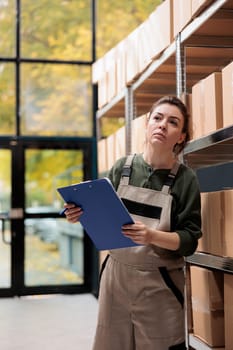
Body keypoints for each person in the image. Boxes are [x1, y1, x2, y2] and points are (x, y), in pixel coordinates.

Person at [64, 95, 202, 350]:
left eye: (173, 122)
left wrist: (152, 236)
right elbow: (102, 215)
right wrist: (79, 214)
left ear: (181, 136)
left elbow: (190, 240)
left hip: (159, 281)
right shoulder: (122, 168)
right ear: (147, 123)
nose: (162, 125)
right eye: (157, 118)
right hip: (116, 277)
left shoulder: (186, 180)